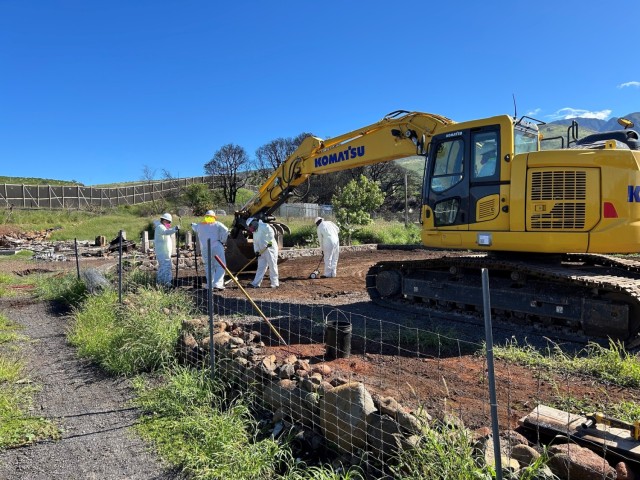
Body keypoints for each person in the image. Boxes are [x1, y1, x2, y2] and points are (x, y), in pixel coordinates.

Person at [191, 210, 229, 290]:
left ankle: (210, 285)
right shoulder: (217, 224)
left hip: (205, 249)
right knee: (220, 265)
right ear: (214, 217)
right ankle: (217, 284)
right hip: (217, 247)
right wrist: (223, 240)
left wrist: (192, 224)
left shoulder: (200, 225)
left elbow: (194, 227)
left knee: (208, 266)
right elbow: (226, 230)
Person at [246, 217, 279, 289]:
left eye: (250, 226)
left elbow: (271, 232)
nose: (250, 228)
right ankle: (256, 283)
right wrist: (257, 252)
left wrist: (270, 242)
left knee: (272, 265)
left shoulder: (264, 226)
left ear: (254, 223)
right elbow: (255, 243)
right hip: (261, 251)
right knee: (261, 267)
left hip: (270, 249)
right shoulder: (255, 233)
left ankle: (275, 283)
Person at [154, 212, 179, 287]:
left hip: (163, 252)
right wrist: (175, 229)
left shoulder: (161, 227)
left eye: (170, 222)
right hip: (163, 252)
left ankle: (160, 282)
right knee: (166, 267)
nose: (169, 223)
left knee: (163, 267)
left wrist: (173, 229)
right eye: (168, 222)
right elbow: (166, 232)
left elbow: (167, 230)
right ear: (164, 220)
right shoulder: (160, 227)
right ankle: (166, 283)